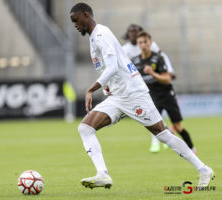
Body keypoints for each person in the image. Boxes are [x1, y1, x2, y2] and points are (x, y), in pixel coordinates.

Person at [69, 2, 214, 189]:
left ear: (87, 15)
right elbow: (113, 66)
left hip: (133, 94)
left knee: (162, 134)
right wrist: (107, 88)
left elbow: (113, 67)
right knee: (86, 128)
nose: (75, 24)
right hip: (117, 97)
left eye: (77, 20)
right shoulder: (93, 37)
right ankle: (103, 174)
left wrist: (92, 89)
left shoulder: (101, 34)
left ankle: (203, 170)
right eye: (72, 22)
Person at [131, 31, 197, 154]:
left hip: (167, 94)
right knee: (154, 124)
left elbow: (167, 79)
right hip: (152, 96)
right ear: (138, 45)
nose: (143, 44)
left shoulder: (158, 58)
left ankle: (192, 148)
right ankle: (170, 135)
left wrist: (152, 73)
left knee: (178, 127)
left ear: (150, 43)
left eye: (145, 42)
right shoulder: (135, 61)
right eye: (140, 42)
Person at [122, 24, 178, 153]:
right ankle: (167, 134)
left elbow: (162, 57)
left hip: (154, 84)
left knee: (151, 113)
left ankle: (156, 143)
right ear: (128, 34)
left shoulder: (151, 45)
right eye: (131, 32)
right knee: (151, 113)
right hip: (138, 86)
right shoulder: (124, 49)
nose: (134, 35)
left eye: (136, 32)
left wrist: (169, 71)